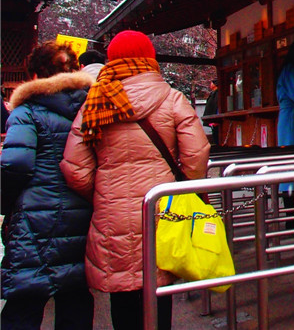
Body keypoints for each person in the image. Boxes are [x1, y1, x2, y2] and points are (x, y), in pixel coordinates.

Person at [61, 30, 210, 330]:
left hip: (111, 215)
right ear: (150, 58)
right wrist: (181, 187)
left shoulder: (95, 102)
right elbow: (196, 157)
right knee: (158, 287)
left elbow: (75, 168)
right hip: (162, 211)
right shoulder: (171, 98)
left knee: (122, 292)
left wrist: (104, 193)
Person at [1, 41, 94, 330]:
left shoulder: (27, 112)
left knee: (25, 298)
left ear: (35, 74)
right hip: (83, 213)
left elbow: (15, 164)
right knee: (75, 297)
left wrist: (5, 206)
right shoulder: (91, 109)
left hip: (34, 217)